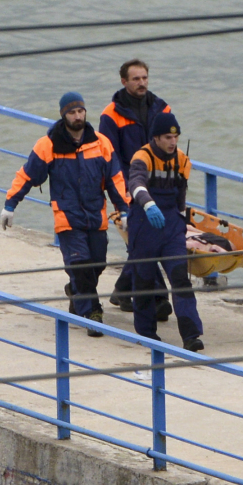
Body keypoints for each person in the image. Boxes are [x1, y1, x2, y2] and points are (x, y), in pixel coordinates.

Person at [0, 92, 130, 337]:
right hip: (67, 216)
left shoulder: (101, 143)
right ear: (63, 115)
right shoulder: (48, 145)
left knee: (98, 263)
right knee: (80, 265)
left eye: (80, 111)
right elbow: (27, 175)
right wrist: (10, 204)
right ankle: (92, 313)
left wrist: (123, 209)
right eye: (72, 112)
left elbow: (115, 180)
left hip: (95, 215)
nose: (78, 116)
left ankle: (75, 290)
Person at [99, 59, 173, 319]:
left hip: (160, 186)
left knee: (146, 239)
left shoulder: (162, 108)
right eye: (136, 79)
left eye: (144, 78)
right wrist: (125, 191)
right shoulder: (111, 115)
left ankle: (122, 289)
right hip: (129, 185)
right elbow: (111, 156)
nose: (141, 83)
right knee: (144, 238)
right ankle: (159, 296)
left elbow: (169, 146)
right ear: (124, 81)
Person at [126, 112, 204, 352]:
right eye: (168, 137)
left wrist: (183, 221)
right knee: (144, 281)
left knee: (180, 279)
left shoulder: (181, 160)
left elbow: (181, 195)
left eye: (176, 137)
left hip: (171, 227)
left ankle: (191, 335)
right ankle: (147, 334)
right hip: (144, 223)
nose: (173, 142)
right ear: (156, 138)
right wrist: (149, 204)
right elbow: (136, 183)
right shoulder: (142, 157)